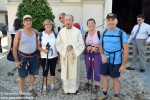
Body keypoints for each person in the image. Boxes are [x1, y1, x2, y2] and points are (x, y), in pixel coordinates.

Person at [98, 13, 128, 100]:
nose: (110, 22)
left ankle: (116, 96)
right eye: (109, 20)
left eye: (113, 20)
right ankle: (104, 94)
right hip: (105, 60)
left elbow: (126, 50)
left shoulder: (122, 33)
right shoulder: (104, 32)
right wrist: (102, 55)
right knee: (105, 77)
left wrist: (123, 65)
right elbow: (100, 45)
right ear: (106, 21)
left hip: (116, 60)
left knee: (115, 79)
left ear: (116, 21)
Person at [56, 14, 85, 94]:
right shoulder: (61, 32)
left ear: (72, 21)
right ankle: (66, 89)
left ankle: (74, 88)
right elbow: (58, 43)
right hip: (65, 54)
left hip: (74, 55)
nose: (68, 22)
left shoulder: (77, 31)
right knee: (65, 71)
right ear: (64, 22)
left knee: (74, 71)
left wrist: (73, 46)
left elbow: (81, 43)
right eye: (66, 20)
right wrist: (65, 47)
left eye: (69, 20)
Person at [13, 15, 39, 98]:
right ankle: (20, 92)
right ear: (23, 22)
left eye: (29, 20)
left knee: (32, 74)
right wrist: (16, 61)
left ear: (31, 22)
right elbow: (14, 48)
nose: (28, 22)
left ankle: (31, 89)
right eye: (26, 20)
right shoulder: (19, 33)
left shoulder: (35, 32)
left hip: (33, 57)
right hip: (22, 57)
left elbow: (42, 37)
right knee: (22, 76)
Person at [38, 19, 58, 92]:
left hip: (54, 56)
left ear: (52, 26)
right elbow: (38, 46)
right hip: (44, 56)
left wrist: (59, 55)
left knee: (53, 71)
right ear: (44, 26)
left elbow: (57, 45)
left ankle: (52, 85)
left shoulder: (55, 34)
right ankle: (44, 86)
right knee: (45, 71)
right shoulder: (41, 34)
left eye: (50, 24)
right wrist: (43, 50)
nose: (48, 26)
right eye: (47, 24)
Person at [83, 18, 101, 94]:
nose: (91, 24)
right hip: (88, 54)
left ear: (95, 24)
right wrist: (87, 47)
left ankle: (97, 84)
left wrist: (96, 48)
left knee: (96, 68)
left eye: (92, 23)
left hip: (97, 53)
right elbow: (82, 45)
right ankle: (88, 81)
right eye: (89, 23)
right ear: (87, 25)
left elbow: (102, 44)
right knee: (88, 67)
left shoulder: (99, 33)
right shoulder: (85, 34)